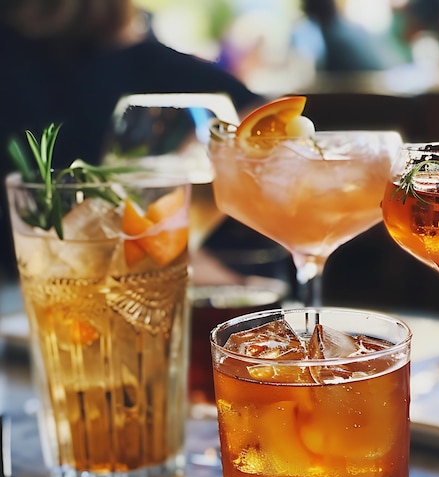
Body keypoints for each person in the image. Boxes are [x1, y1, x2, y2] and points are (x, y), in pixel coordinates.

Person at [0, 0, 262, 279]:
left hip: (39, 285)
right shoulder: (138, 61)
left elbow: (255, 115)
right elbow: (262, 119)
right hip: (83, 284)